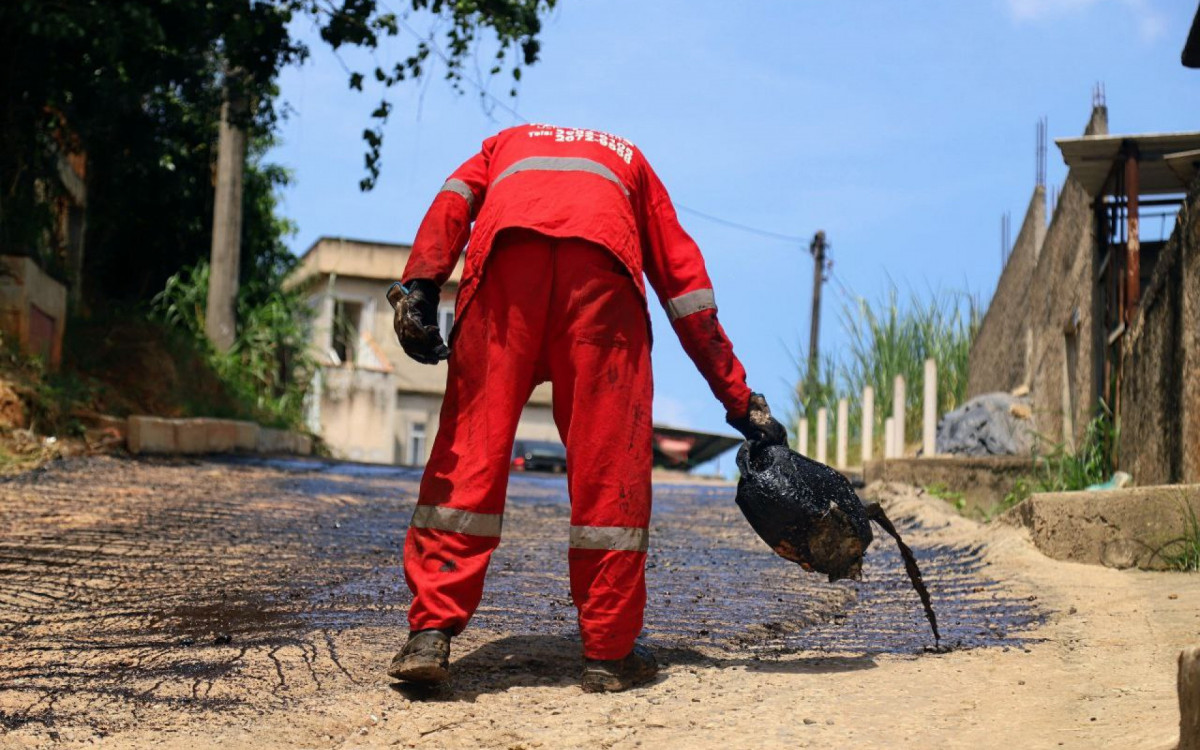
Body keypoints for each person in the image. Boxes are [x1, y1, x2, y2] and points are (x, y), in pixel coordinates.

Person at [386, 123, 787, 692]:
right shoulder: (630, 161)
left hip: (507, 269)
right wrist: (742, 402)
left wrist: (421, 285)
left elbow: (453, 201)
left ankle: (430, 633)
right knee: (609, 467)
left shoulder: (505, 144)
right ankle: (608, 651)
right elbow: (686, 293)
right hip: (600, 285)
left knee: (470, 448)